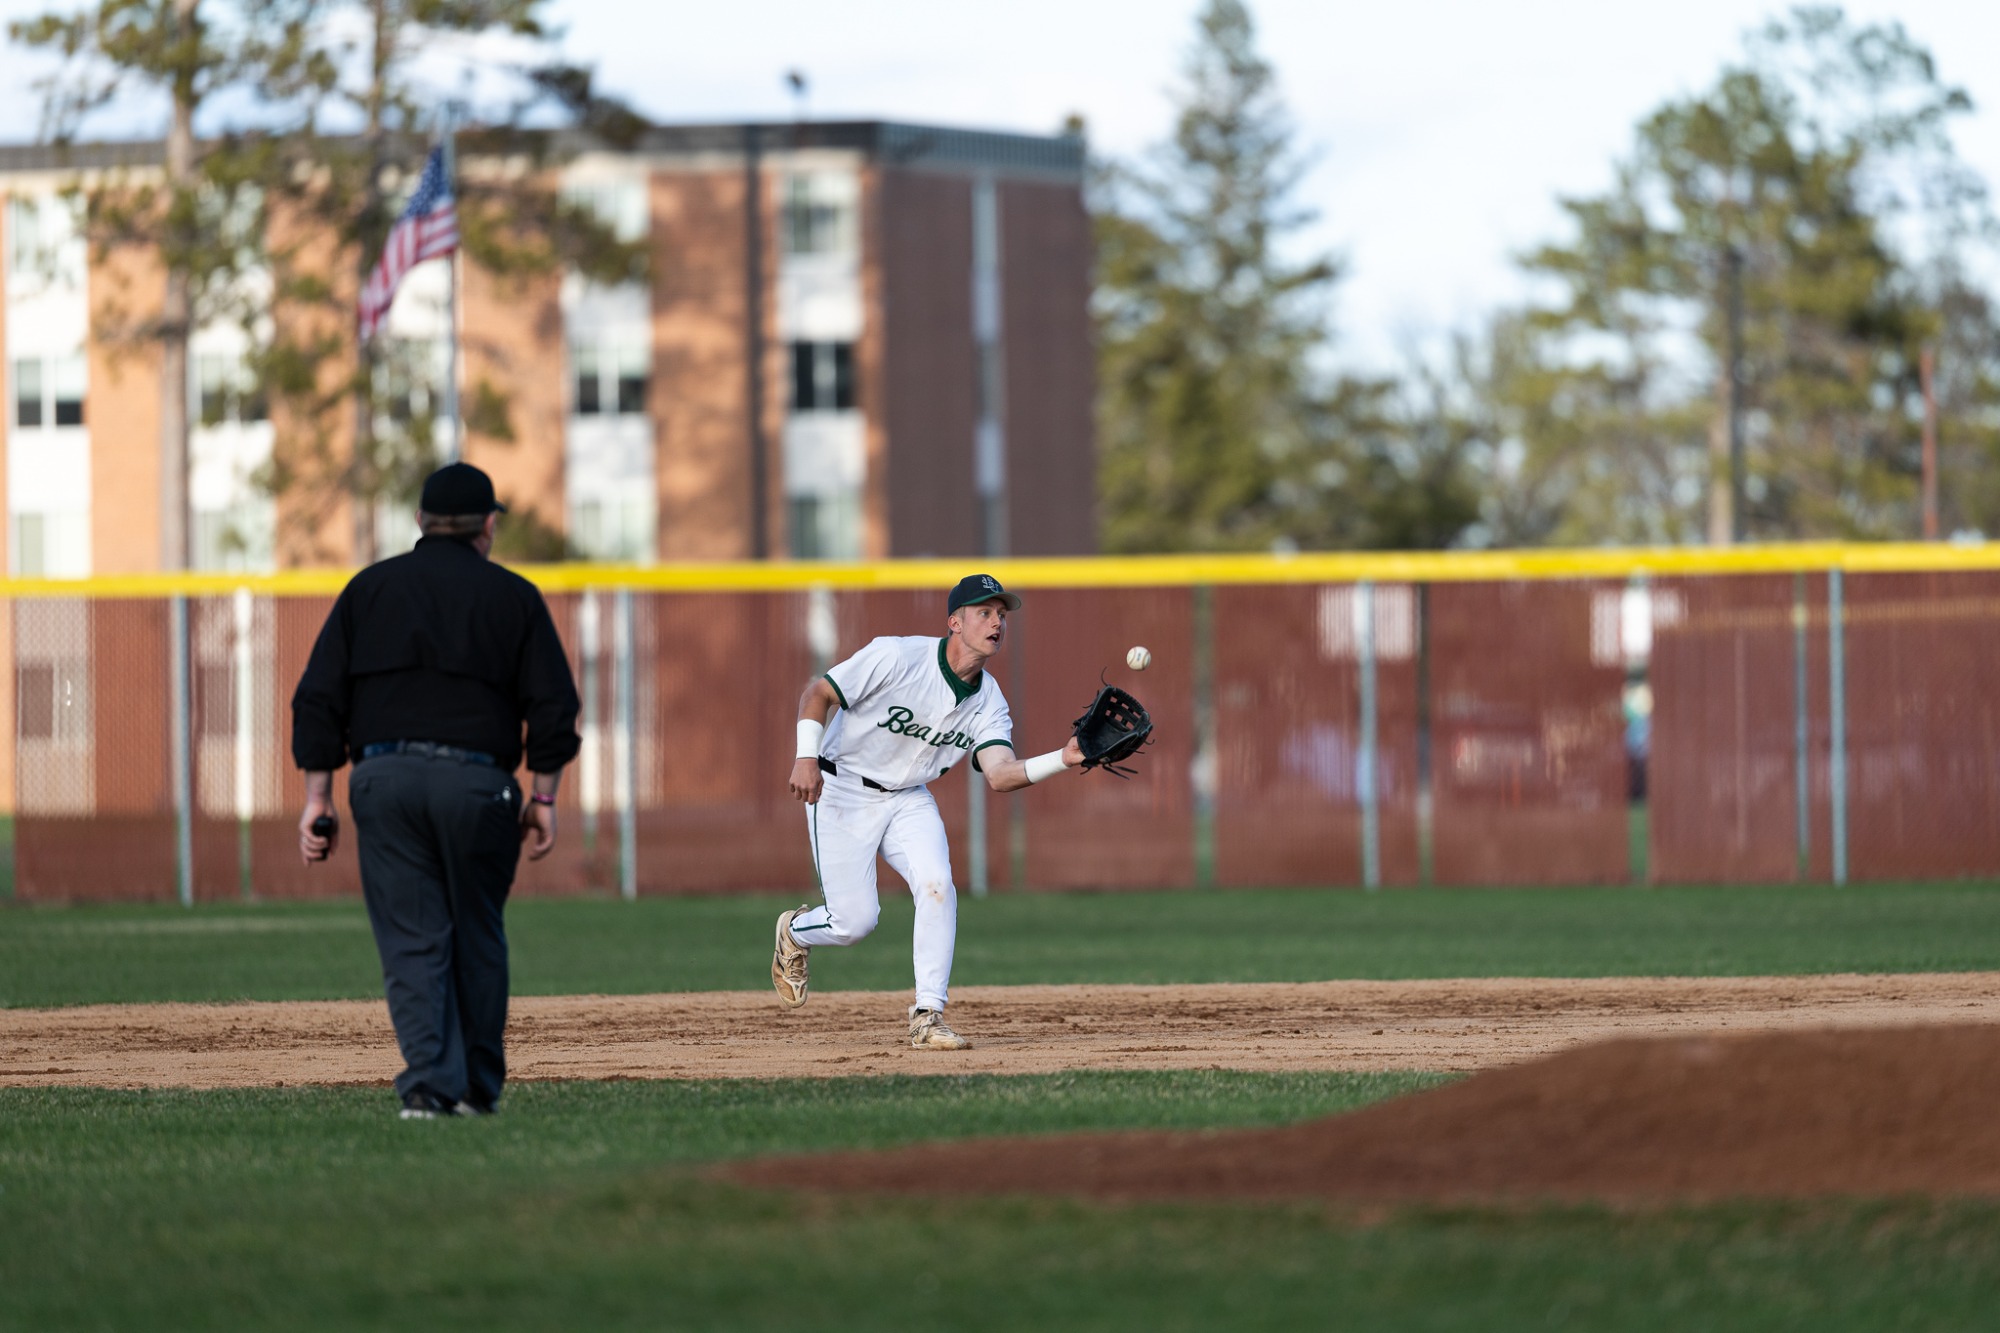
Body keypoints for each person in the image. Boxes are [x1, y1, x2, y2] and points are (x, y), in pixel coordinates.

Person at [292, 462, 581, 1119]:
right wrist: (543, 798)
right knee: (477, 931)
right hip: (478, 784)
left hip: (383, 781)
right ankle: (477, 1088)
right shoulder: (514, 596)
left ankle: (429, 1085)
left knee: (414, 938)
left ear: (420, 521)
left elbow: (317, 701)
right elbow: (555, 707)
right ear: (489, 525)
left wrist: (318, 796)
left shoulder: (369, 589)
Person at [772, 573, 1085, 1049]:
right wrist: (805, 756)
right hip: (842, 789)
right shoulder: (897, 656)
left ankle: (927, 1015)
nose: (997, 622)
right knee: (854, 923)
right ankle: (795, 931)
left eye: (1002, 614)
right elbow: (818, 692)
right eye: (985, 612)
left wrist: (1063, 759)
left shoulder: (989, 700)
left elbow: (1000, 775)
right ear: (954, 623)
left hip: (908, 798)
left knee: (937, 884)